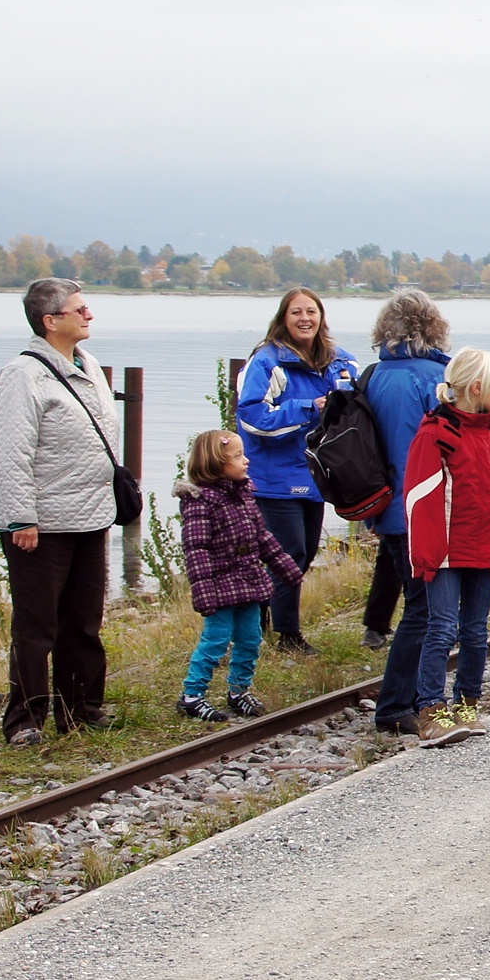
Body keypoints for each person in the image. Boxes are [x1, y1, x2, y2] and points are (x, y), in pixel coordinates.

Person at [0, 277, 120, 746]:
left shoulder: (89, 365)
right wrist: (21, 517)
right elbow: (12, 451)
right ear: (50, 320)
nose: (89, 315)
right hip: (42, 524)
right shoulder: (22, 374)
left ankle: (80, 707)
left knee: (84, 621)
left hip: (91, 515)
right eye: (79, 309)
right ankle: (25, 721)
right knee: (37, 627)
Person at [405, 347, 490, 741]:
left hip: (486, 545)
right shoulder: (436, 434)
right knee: (441, 629)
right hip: (447, 552)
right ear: (478, 388)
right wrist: (426, 556)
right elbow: (419, 499)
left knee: (476, 632)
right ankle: (431, 710)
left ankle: (467, 703)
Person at [235, 287, 358, 652]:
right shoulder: (266, 363)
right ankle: (287, 635)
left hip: (315, 475)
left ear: (321, 317)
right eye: (296, 312)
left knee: (303, 554)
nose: (305, 318)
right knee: (290, 554)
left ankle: (256, 622)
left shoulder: (340, 362)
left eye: (311, 311)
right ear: (283, 319)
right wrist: (309, 408)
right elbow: (252, 418)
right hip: (273, 477)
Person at [360, 289, 451, 731]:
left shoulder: (373, 375)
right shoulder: (434, 379)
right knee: (426, 609)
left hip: (386, 503)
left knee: (419, 605)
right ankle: (398, 705)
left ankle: (411, 697)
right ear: (433, 327)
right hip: (424, 506)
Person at [173, 430, 302, 723]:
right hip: (219, 587)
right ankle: (192, 695)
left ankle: (239, 690)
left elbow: (262, 537)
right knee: (216, 640)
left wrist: (286, 568)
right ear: (216, 463)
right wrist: (204, 592)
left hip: (248, 582)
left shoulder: (243, 494)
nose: (246, 461)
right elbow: (197, 550)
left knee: (251, 638)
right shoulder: (199, 502)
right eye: (237, 456)